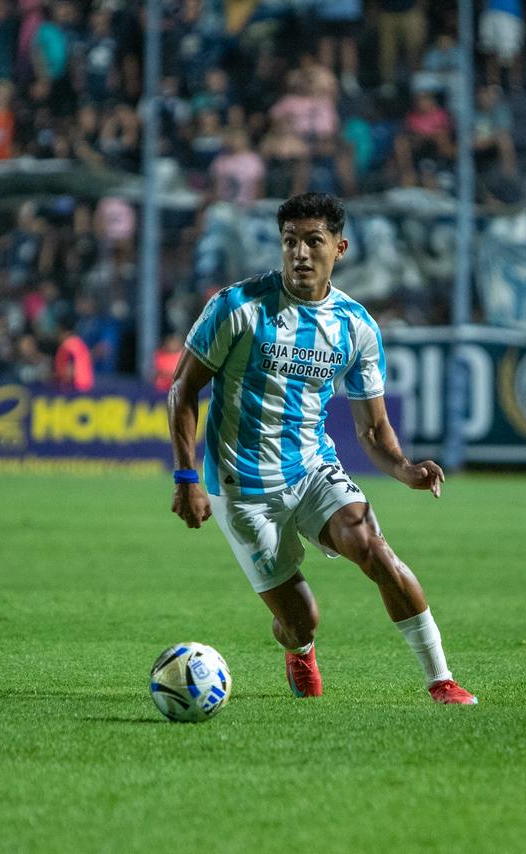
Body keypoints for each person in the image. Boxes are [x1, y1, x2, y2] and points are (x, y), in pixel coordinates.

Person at [166, 192, 477, 706]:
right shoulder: (236, 307)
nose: (301, 253)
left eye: (313, 241)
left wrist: (405, 469)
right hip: (242, 487)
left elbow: (373, 430)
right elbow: (183, 390)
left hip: (312, 469)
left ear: (340, 247)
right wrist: (185, 478)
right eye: (290, 241)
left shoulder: (355, 326)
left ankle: (440, 679)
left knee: (374, 548)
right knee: (301, 619)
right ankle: (299, 648)